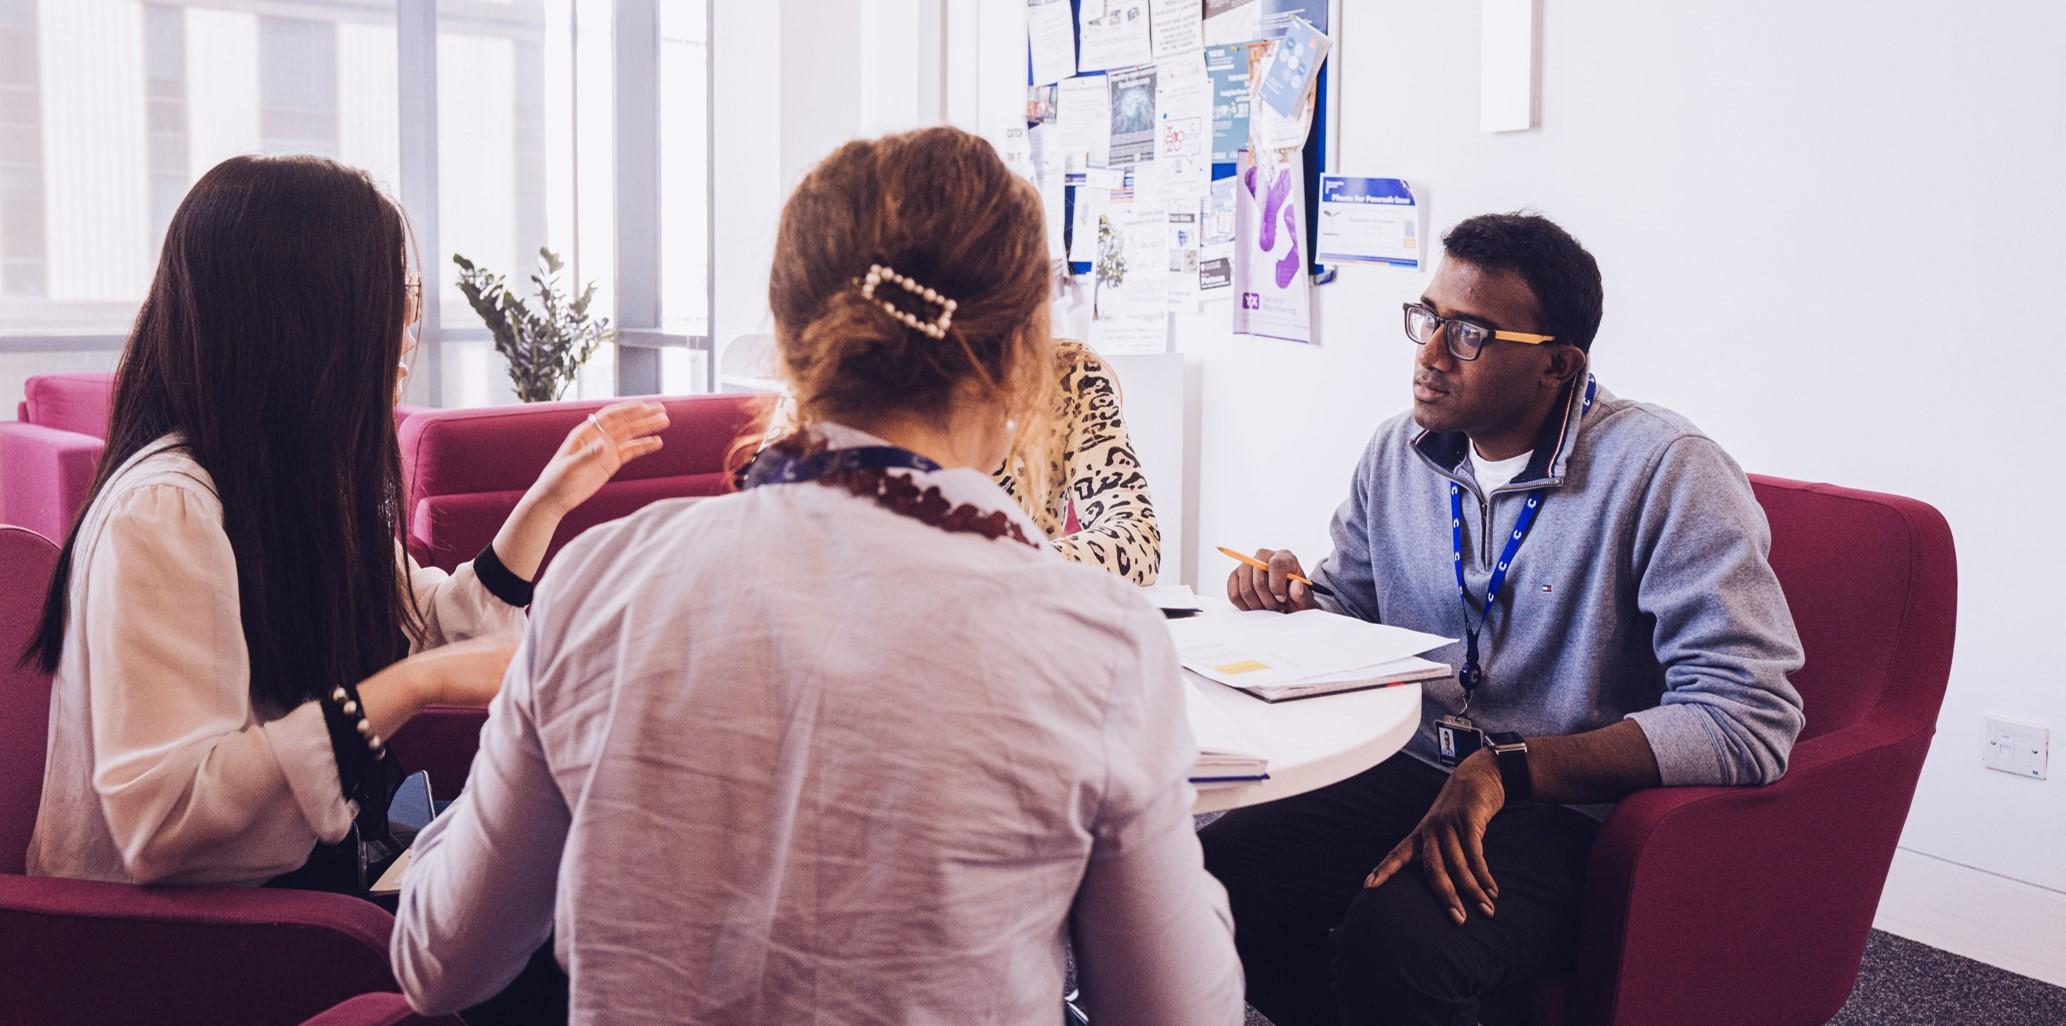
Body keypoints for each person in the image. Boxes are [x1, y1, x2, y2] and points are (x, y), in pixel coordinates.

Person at [389, 126, 1243, 1026]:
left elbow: (438, 964)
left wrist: (527, 777)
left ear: (793, 345)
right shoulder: (1096, 642)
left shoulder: (602, 582)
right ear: (1019, 360)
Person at [1202, 212, 1806, 1026]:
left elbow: (1748, 719)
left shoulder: (1666, 472)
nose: (1427, 354)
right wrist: (1296, 600)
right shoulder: (1399, 451)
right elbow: (1355, 611)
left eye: (1470, 333)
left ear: (1557, 363)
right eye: (1427, 318)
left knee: (1401, 941)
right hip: (1415, 764)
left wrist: (1507, 768)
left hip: (1565, 805)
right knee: (1218, 875)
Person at [23, 154, 668, 892]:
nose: (403, 334)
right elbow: (167, 820)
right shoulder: (167, 510)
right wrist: (418, 684)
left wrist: (544, 503)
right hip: (210, 942)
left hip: (326, 870)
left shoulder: (288, 479)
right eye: (390, 303)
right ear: (304, 325)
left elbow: (426, 622)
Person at [773, 335, 1164, 584]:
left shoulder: (1068, 377)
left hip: (1019, 628)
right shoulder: (833, 386)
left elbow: (1138, 539)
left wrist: (996, 562)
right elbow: (773, 537)